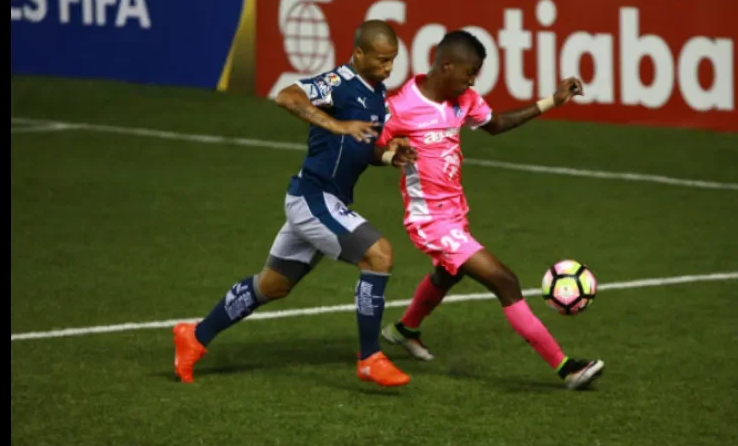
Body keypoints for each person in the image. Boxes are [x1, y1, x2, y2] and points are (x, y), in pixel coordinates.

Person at [172, 20, 418, 387]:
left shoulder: (376, 93)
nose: (388, 67)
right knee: (379, 256)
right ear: (359, 53)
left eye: (392, 59)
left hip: (321, 201)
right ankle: (370, 358)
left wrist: (387, 155)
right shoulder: (337, 83)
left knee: (272, 286)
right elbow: (287, 96)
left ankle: (194, 337)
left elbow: (361, 148)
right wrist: (336, 125)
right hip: (314, 198)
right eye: (382, 59)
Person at [376, 29, 604, 390]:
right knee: (505, 281)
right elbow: (368, 147)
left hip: (455, 214)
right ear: (446, 65)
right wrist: (390, 153)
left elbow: (495, 124)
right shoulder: (400, 106)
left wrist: (552, 101)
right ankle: (566, 368)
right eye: (469, 72)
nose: (472, 81)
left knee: (448, 275)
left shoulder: (463, 99)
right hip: (430, 221)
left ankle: (404, 330)